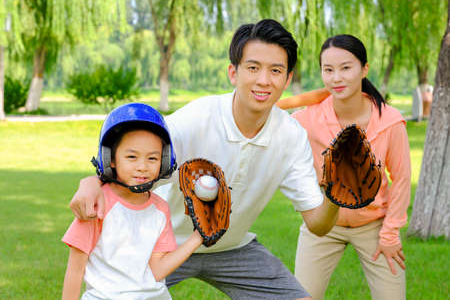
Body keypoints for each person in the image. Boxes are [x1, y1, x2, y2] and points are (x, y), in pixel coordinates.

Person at [69, 19, 341, 299]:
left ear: (287, 78)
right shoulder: (196, 119)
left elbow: (318, 226)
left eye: (275, 70)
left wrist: (335, 194)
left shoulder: (291, 136)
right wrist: (91, 181)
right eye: (253, 67)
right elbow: (135, 161)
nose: (263, 80)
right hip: (162, 245)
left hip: (232, 247)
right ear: (233, 73)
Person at [291, 34, 411, 300]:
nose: (336, 78)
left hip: (374, 225)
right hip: (324, 224)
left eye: (346, 68)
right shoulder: (306, 120)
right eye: (328, 70)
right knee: (300, 296)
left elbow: (401, 179)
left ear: (364, 69)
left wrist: (390, 233)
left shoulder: (390, 121)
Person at [62, 103, 203, 299]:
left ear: (163, 161)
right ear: (111, 158)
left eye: (152, 158)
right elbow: (75, 271)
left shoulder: (160, 208)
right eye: (131, 157)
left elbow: (157, 270)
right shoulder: (97, 203)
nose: (142, 167)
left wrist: (198, 237)